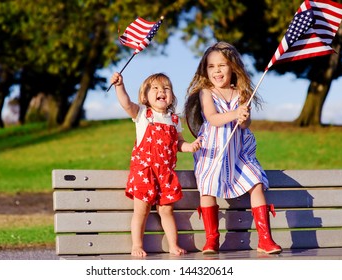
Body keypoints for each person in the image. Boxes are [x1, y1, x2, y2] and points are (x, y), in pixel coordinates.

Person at [185, 41, 282, 255]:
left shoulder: (241, 93)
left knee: (255, 182)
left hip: (238, 152)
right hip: (213, 152)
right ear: (205, 70)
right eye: (211, 66)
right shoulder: (206, 92)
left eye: (222, 65)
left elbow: (245, 124)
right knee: (208, 188)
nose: (217, 71)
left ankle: (265, 239)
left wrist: (244, 117)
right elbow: (213, 118)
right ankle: (212, 239)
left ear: (233, 67)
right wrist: (234, 114)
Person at [110, 72, 202, 257]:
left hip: (165, 174)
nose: (162, 91)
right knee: (141, 210)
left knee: (167, 210)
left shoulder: (174, 119)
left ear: (172, 97)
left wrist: (190, 146)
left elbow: (178, 144)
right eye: (156, 88)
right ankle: (137, 245)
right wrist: (119, 86)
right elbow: (126, 103)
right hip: (144, 171)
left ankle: (173, 245)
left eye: (166, 88)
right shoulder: (143, 114)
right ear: (145, 97)